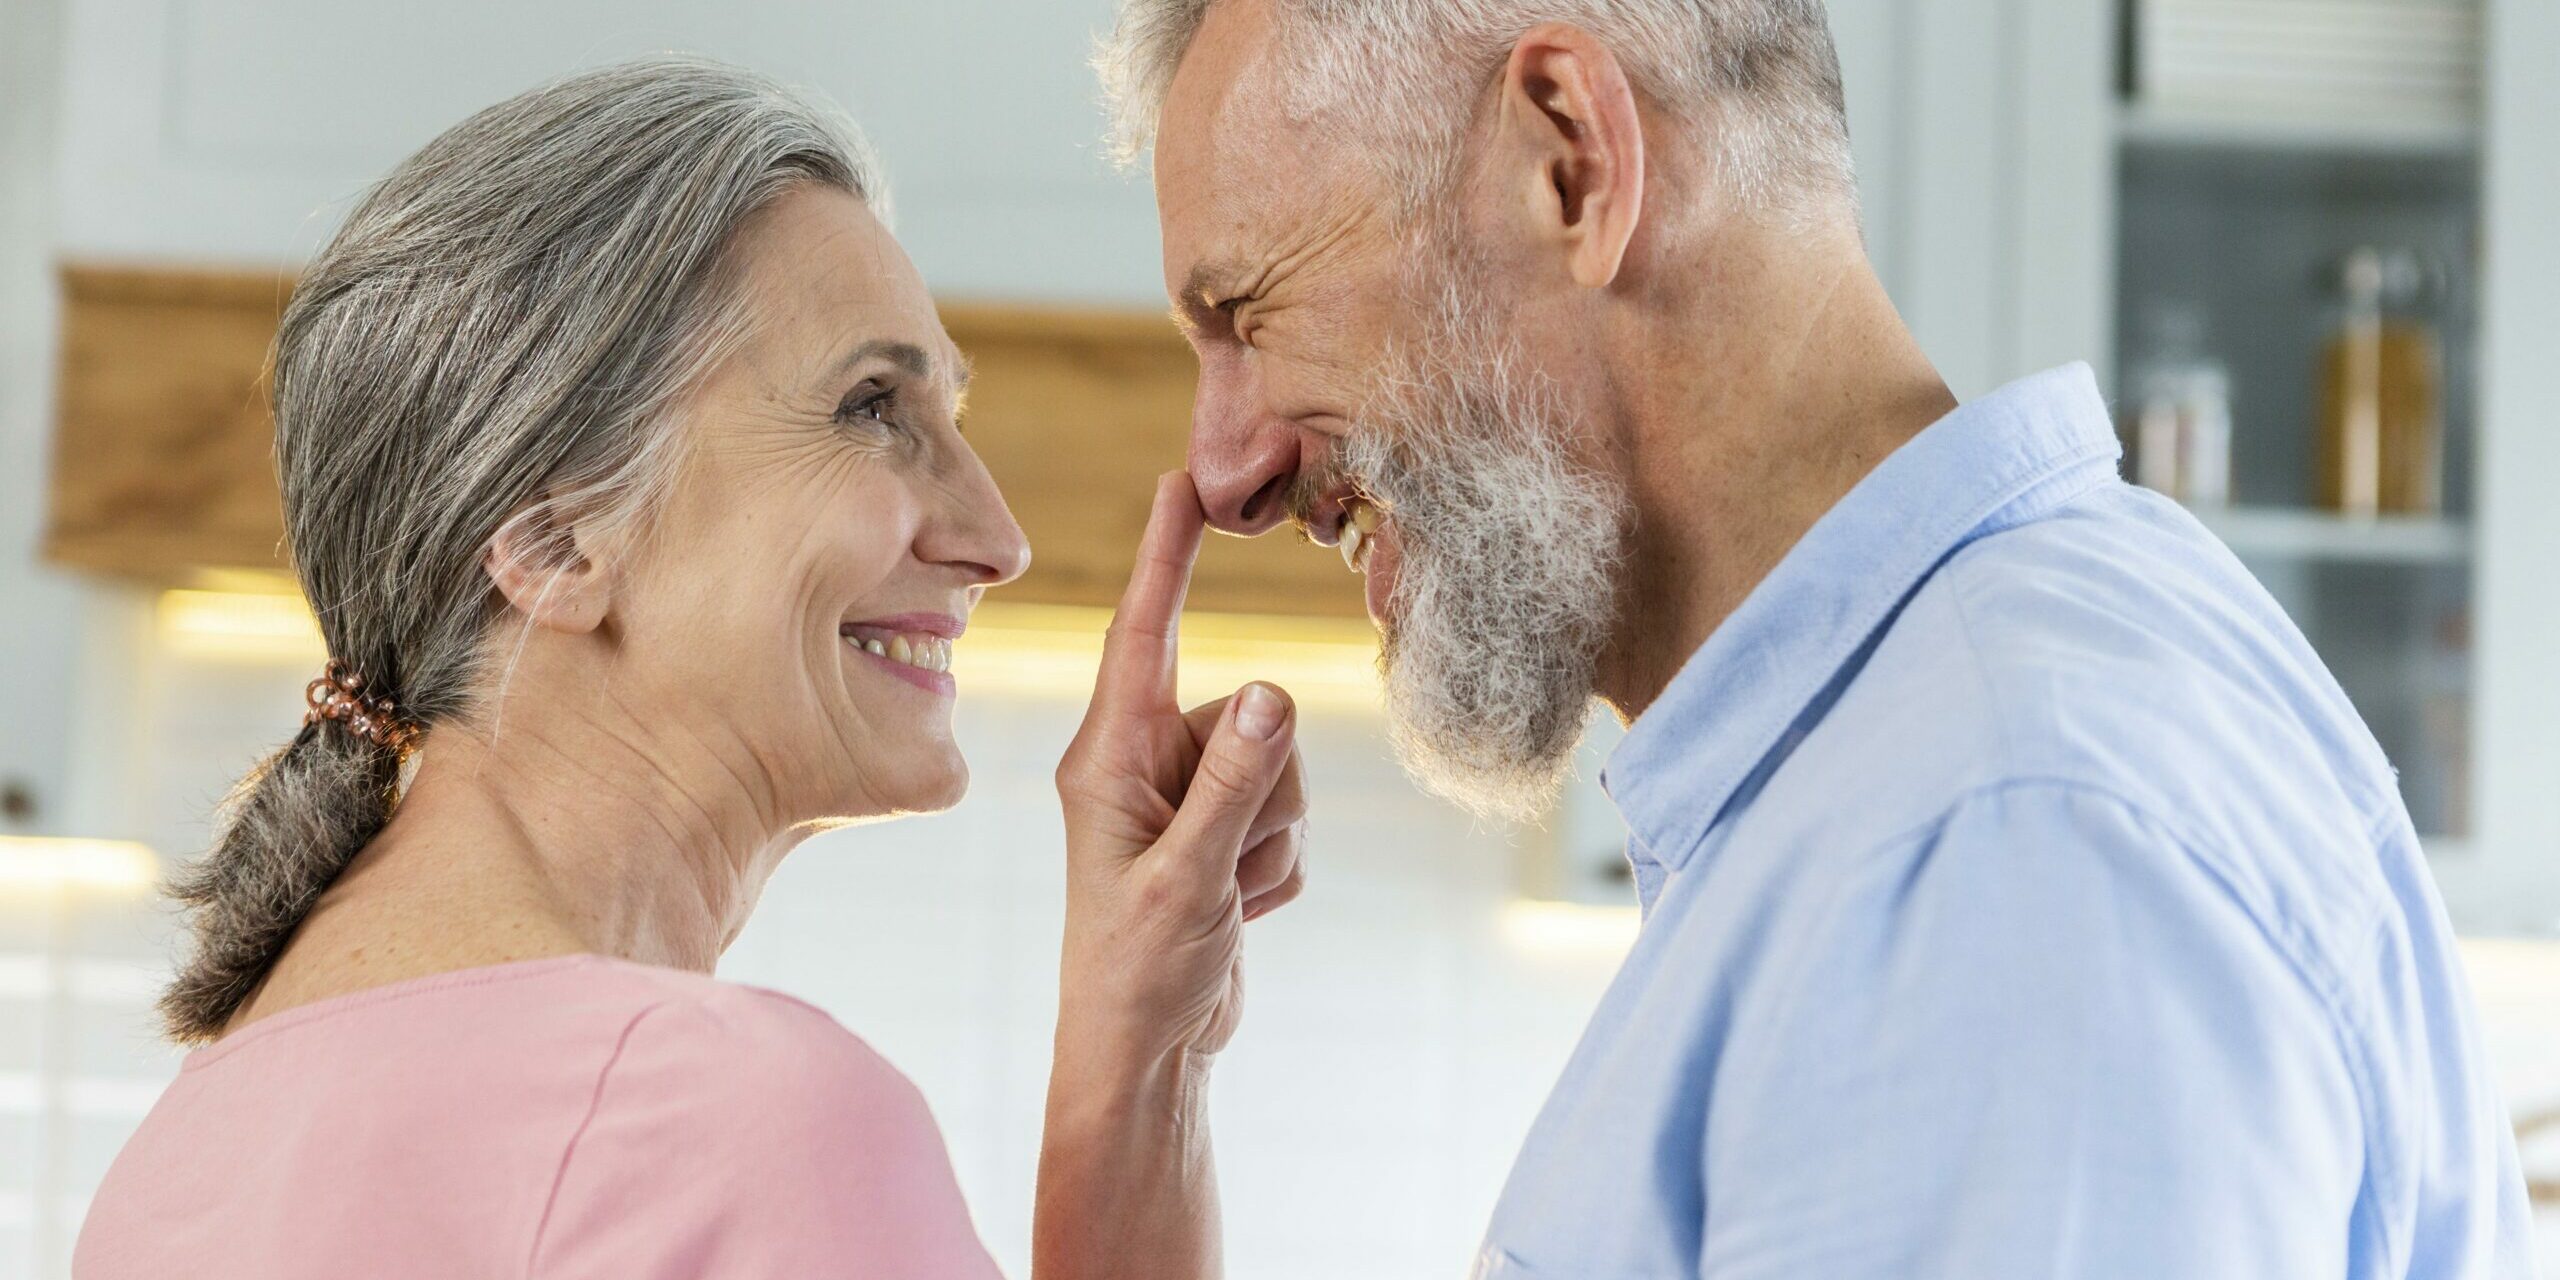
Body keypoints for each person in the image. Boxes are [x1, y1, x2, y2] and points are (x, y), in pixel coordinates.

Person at [1038, 1, 2540, 1276]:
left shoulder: (1993, 843)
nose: (1225, 471)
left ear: (1570, 160)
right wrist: (1138, 1071)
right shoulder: (1907, 782)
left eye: (1248, 311)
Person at [76, 56, 1309, 1280]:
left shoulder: (186, 1155)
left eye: (955, 422)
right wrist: (1140, 1063)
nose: (996, 538)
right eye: (870, 407)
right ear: (555, 542)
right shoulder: (725, 1118)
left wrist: (1142, 1047)